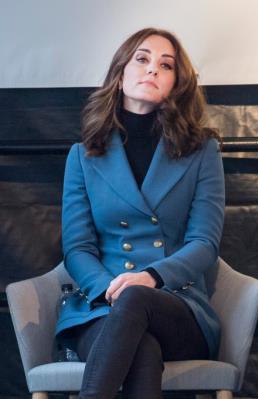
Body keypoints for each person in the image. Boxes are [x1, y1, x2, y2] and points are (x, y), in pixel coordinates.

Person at [55, 28, 225, 398]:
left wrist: (150, 277)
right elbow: (78, 248)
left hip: (176, 304)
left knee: (137, 299)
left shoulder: (202, 151)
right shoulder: (82, 156)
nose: (152, 70)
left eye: (166, 66)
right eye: (142, 59)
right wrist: (108, 289)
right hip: (99, 304)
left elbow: (204, 243)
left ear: (176, 84)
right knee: (143, 351)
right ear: (120, 74)